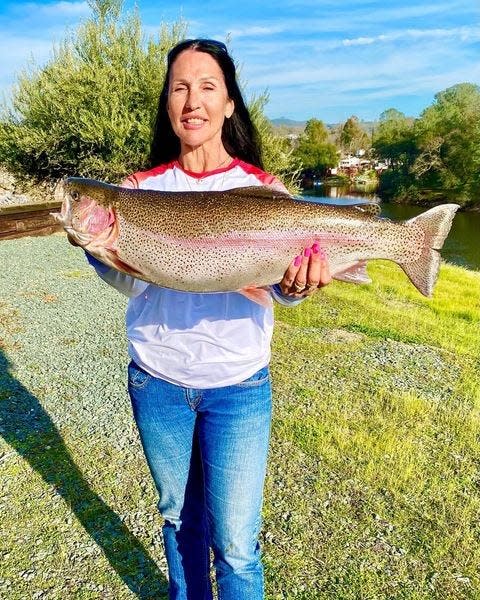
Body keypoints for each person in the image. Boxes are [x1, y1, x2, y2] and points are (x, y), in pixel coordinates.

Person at [84, 39, 331, 600]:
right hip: (157, 381)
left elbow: (280, 290)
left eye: (207, 86)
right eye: (179, 87)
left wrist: (295, 289)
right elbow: (130, 280)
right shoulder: (136, 192)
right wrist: (101, 252)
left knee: (237, 544)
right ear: (168, 105)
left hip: (240, 385)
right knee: (178, 521)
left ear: (228, 105)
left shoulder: (265, 191)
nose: (191, 99)